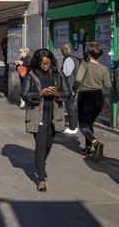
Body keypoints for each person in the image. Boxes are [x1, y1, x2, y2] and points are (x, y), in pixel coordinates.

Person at [22, 48, 72, 192]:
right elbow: (24, 94)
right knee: (41, 145)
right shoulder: (31, 75)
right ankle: (41, 179)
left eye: (48, 63)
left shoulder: (58, 75)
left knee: (49, 144)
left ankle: (41, 164)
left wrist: (57, 93)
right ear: (38, 63)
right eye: (43, 63)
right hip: (38, 114)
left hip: (54, 114)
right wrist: (40, 93)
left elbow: (68, 93)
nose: (45, 65)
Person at [72, 42, 111, 160]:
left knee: (83, 125)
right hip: (99, 97)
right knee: (90, 123)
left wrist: (74, 89)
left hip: (86, 97)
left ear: (89, 54)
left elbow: (78, 78)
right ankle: (88, 149)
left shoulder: (85, 64)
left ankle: (96, 143)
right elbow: (108, 85)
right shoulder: (104, 68)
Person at [60, 43, 82, 134]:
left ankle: (72, 127)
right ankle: (74, 125)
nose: (61, 53)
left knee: (70, 106)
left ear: (65, 50)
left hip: (70, 86)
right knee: (74, 106)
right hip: (76, 85)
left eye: (62, 51)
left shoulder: (69, 58)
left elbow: (66, 73)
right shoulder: (77, 57)